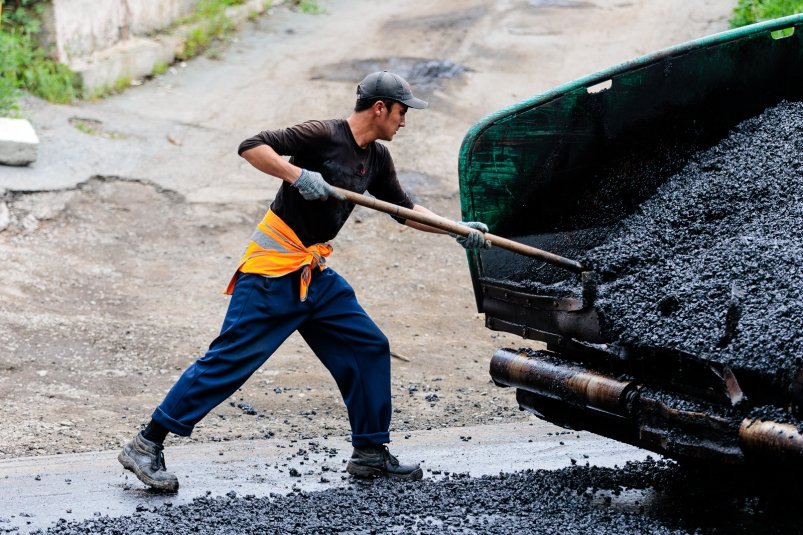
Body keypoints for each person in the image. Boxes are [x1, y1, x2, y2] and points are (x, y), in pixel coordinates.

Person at [118, 71, 490, 491]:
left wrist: (455, 229)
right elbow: (250, 146)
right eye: (402, 111)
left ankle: (370, 453)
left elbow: (404, 210)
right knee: (229, 360)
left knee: (367, 344)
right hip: (273, 270)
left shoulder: (378, 159)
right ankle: (146, 444)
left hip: (313, 275)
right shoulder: (323, 135)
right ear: (380, 107)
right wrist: (297, 176)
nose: (405, 121)